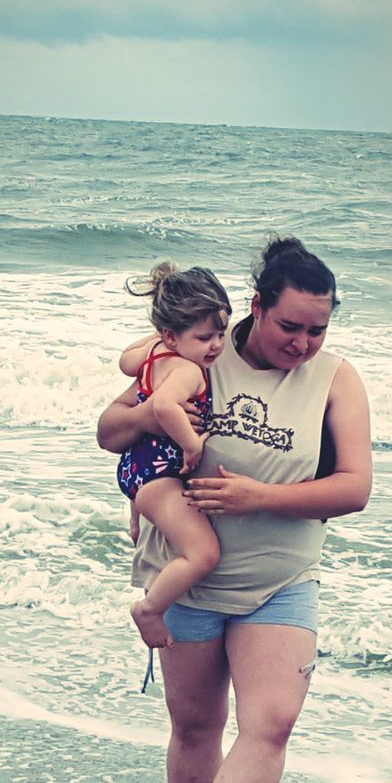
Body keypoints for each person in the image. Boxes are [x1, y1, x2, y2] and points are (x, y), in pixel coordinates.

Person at [97, 236, 372, 783]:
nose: (304, 343)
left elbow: (354, 488)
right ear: (257, 309)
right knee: (194, 727)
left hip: (281, 582)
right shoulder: (203, 355)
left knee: (271, 722)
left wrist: (257, 497)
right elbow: (109, 431)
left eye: (318, 330)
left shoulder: (336, 379)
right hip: (187, 578)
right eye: (290, 327)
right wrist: (151, 410)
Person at [116, 262, 231, 649]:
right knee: (203, 554)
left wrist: (166, 339)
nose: (216, 345)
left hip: (140, 468)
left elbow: (125, 361)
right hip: (158, 473)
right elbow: (164, 407)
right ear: (173, 334)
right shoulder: (188, 369)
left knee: (159, 522)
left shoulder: (153, 353)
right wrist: (192, 443)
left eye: (221, 333)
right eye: (203, 337)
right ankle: (149, 609)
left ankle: (136, 516)